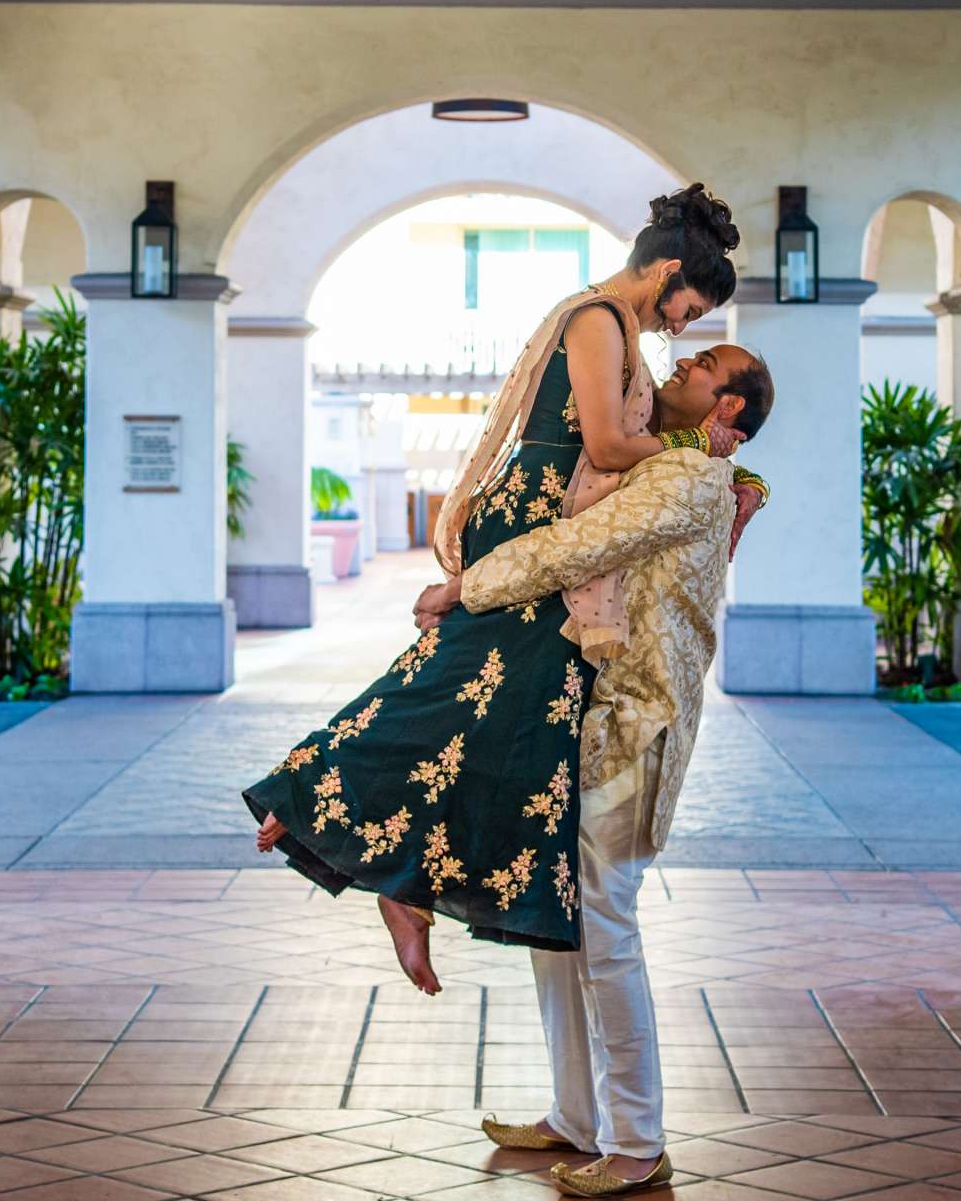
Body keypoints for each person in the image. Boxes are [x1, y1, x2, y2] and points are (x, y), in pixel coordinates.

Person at [243, 184, 743, 986]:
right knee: (451, 687)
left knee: (509, 721)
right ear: (668, 271)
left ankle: (400, 878)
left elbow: (622, 445)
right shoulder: (598, 320)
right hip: (533, 517)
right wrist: (692, 460)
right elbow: (612, 446)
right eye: (689, 307)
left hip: (552, 521)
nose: (683, 327)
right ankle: (309, 800)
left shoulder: (616, 327)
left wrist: (714, 466)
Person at [430, 343, 777, 1199]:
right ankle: (576, 1117)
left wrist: (463, 585)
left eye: (702, 365)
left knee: (607, 929)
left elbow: (574, 547)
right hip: (588, 721)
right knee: (562, 923)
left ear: (725, 412)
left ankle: (638, 1140)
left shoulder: (688, 481)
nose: (680, 362)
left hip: (635, 728)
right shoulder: (664, 466)